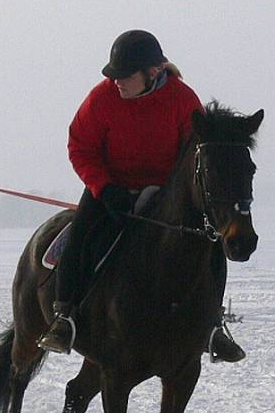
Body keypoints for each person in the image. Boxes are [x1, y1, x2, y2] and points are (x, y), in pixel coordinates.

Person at [38, 30, 245, 362]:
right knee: (79, 237)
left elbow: (196, 152)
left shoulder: (182, 99)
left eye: (125, 76)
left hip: (166, 192)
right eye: (114, 76)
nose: (117, 82)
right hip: (110, 188)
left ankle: (212, 326)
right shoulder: (101, 98)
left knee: (210, 243)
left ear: (153, 72)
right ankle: (64, 319)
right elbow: (81, 146)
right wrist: (104, 188)